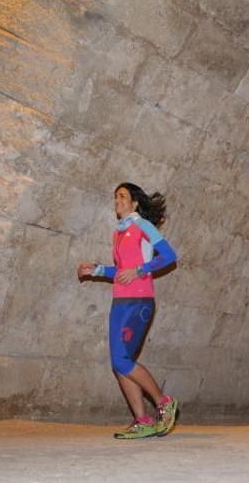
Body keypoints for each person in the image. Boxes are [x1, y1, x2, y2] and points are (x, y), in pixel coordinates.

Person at [77, 182, 179, 439]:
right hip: (120, 301)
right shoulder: (118, 233)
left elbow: (168, 255)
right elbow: (122, 272)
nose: (117, 200)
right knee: (120, 363)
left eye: (122, 196)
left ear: (134, 203)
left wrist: (140, 270)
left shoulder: (142, 226)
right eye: (115, 197)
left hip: (139, 301)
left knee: (122, 361)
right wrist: (97, 270)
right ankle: (142, 420)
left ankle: (164, 402)